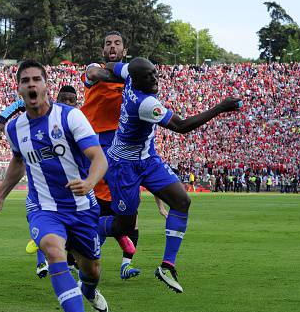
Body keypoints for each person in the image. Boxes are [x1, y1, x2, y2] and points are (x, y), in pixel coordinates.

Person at [0, 60, 108, 312]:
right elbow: (19, 161)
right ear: (18, 88)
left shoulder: (71, 117)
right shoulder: (15, 127)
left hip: (81, 207)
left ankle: (88, 289)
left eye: (36, 79)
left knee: (91, 269)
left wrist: (90, 182)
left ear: (45, 85)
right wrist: (1, 194)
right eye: (25, 80)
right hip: (43, 207)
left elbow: (99, 158)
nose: (31, 84)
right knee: (53, 250)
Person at [96, 57, 241, 293]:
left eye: (155, 73)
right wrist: (220, 108)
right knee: (123, 227)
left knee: (182, 201)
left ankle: (166, 265)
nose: (154, 79)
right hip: (124, 165)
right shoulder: (145, 104)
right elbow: (182, 126)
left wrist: (105, 70)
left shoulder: (128, 75)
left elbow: (115, 67)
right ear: (136, 79)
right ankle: (88, 226)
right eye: (148, 76)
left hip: (147, 159)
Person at [82, 31, 167, 280]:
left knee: (129, 211)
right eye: (107, 43)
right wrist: (127, 73)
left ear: (124, 50)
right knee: (85, 203)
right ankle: (66, 249)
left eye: (117, 43)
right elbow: (96, 75)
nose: (111, 46)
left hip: (121, 146)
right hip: (92, 143)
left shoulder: (136, 83)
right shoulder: (96, 68)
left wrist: (160, 200)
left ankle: (125, 263)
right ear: (103, 50)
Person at [0, 85, 81, 279]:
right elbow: (18, 104)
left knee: (81, 249)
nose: (67, 103)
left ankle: (71, 261)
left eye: (71, 100)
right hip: (41, 188)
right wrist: (1, 121)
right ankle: (43, 262)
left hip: (73, 190)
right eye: (64, 99)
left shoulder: (74, 120)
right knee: (44, 224)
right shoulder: (38, 113)